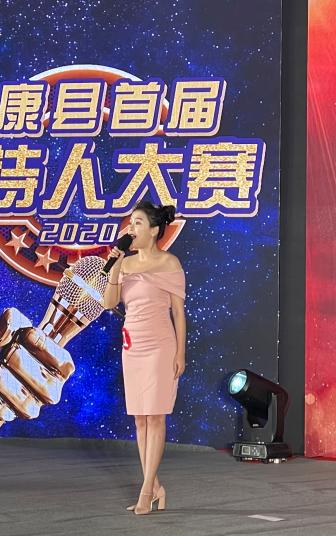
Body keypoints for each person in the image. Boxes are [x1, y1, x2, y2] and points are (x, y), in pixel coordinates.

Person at [102, 200, 186, 516]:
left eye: (138, 222)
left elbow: (178, 313)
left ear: (153, 230)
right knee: (140, 417)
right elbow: (109, 303)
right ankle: (155, 486)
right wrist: (114, 267)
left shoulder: (170, 263)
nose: (131, 228)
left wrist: (180, 352)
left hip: (161, 346)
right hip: (132, 346)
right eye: (130, 223)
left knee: (156, 416)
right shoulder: (124, 264)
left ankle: (146, 489)